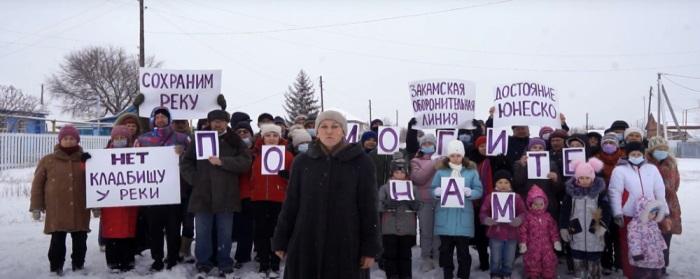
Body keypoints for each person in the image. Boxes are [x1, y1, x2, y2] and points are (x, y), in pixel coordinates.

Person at [272, 110, 382, 279]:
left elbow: (369, 207)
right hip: (306, 241)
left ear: (343, 131)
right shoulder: (302, 161)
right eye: (323, 126)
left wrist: (370, 248)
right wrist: (281, 238)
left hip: (347, 242)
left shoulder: (362, 162)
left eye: (334, 126)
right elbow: (291, 203)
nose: (329, 131)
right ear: (317, 131)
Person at [180, 109, 252, 278]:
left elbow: (245, 162)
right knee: (203, 232)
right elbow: (186, 163)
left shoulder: (234, 140)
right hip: (202, 195)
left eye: (221, 121)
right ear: (209, 122)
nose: (217, 124)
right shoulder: (199, 139)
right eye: (214, 121)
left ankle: (224, 262)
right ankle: (203, 264)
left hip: (227, 194)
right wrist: (195, 179)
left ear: (227, 122)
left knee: (225, 232)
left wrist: (223, 162)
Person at [30, 125, 92, 275]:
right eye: (65, 138)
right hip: (57, 209)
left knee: (80, 240)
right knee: (57, 241)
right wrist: (36, 206)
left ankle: (78, 265)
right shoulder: (48, 160)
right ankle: (56, 266)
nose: (69, 141)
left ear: (77, 140)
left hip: (80, 207)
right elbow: (37, 185)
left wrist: (96, 205)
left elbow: (96, 183)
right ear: (60, 140)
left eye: (72, 138)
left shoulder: (86, 160)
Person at [134, 107, 190, 271]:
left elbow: (193, 158)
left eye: (163, 117)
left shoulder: (183, 138)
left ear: (169, 119)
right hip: (152, 194)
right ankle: (157, 258)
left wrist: (184, 153)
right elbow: (130, 160)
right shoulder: (143, 139)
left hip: (175, 191)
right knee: (155, 229)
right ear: (153, 120)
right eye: (157, 116)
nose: (160, 119)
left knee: (173, 228)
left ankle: (172, 257)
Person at [608, 141, 668, 278]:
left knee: (651, 245)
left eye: (639, 154)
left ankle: (652, 273)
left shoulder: (651, 169)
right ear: (627, 155)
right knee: (629, 246)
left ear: (643, 154)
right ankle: (630, 274)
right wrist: (617, 212)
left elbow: (659, 189)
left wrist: (663, 209)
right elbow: (614, 191)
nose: (636, 156)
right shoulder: (620, 170)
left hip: (651, 215)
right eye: (633, 154)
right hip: (629, 215)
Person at [431, 140, 484, 279]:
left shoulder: (471, 171)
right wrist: (437, 191)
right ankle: (447, 274)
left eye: (458, 155)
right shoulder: (441, 171)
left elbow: (479, 190)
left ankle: (463, 274)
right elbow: (432, 189)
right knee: (446, 251)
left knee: (463, 252)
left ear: (463, 155)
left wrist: (470, 192)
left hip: (463, 219)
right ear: (448, 156)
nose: (455, 158)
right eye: (453, 155)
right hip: (445, 218)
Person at [250, 124, 294, 278]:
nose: (271, 138)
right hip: (259, 199)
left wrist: (287, 176)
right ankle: (263, 263)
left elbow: (296, 179)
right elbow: (248, 176)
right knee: (261, 232)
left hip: (279, 199)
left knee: (277, 232)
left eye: (275, 135)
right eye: (268, 135)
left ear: (279, 137)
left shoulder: (287, 156)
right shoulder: (255, 154)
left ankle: (275, 263)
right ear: (262, 137)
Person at [560, 158, 610, 279]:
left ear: (592, 178)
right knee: (577, 256)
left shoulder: (599, 193)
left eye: (587, 178)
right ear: (577, 178)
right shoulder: (571, 194)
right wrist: (563, 227)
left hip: (595, 230)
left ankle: (594, 275)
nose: (584, 181)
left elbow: (606, 210)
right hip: (576, 230)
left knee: (594, 257)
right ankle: (579, 275)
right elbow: (565, 212)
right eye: (581, 178)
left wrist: (602, 226)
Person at [100, 125, 139, 272]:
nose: (120, 140)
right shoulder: (103, 156)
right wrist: (86, 161)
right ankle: (113, 262)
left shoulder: (136, 155)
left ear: (128, 139)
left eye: (123, 138)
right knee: (112, 234)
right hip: (111, 203)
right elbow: (91, 171)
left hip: (130, 203)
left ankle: (128, 260)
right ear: (112, 139)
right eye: (117, 138)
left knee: (128, 233)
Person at [378, 155, 420, 279]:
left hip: (407, 227)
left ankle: (406, 275)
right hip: (389, 227)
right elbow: (378, 205)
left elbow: (419, 206)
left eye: (402, 172)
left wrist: (412, 203)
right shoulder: (385, 188)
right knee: (390, 254)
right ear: (392, 173)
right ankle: (392, 275)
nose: (399, 175)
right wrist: (387, 204)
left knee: (405, 255)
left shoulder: (413, 188)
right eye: (396, 172)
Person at [479, 170, 526, 279]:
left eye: (506, 182)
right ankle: (494, 273)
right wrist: (487, 220)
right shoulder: (490, 197)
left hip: (512, 234)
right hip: (495, 233)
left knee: (509, 258)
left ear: (510, 184)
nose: (503, 185)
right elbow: (483, 212)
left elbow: (523, 212)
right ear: (495, 184)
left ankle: (506, 273)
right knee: (495, 257)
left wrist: (519, 219)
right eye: (500, 182)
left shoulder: (516, 198)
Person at [645, 136, 682, 274]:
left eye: (663, 148)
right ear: (651, 150)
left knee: (666, 236)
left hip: (670, 205)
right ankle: (652, 265)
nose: (661, 151)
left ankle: (663, 266)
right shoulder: (646, 164)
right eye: (657, 149)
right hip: (651, 205)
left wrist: (670, 195)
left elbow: (676, 182)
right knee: (652, 237)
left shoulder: (672, 164)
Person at [410, 133, 441, 272]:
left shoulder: (443, 159)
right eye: (425, 144)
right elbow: (418, 178)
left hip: (440, 200)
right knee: (426, 231)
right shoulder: (415, 161)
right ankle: (426, 257)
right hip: (424, 201)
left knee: (438, 231)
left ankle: (438, 257)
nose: (427, 146)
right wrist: (434, 164)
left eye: (430, 143)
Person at [595, 132, 625, 274]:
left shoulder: (624, 159)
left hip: (621, 202)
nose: (608, 145)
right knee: (603, 233)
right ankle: (605, 262)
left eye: (612, 143)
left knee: (619, 234)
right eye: (606, 143)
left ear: (617, 145)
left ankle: (620, 262)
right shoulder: (595, 160)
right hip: (601, 202)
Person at [519, 185, 562, 279]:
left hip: (547, 247)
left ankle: (548, 275)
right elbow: (523, 231)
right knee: (533, 263)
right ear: (530, 204)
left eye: (541, 204)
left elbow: (553, 230)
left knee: (549, 262)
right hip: (532, 247)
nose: (538, 207)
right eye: (535, 205)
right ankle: (533, 275)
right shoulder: (528, 218)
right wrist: (523, 243)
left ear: (545, 204)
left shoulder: (548, 217)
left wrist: (556, 241)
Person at [512, 138, 561, 220]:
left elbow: (558, 189)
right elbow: (517, 184)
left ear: (544, 150)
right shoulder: (519, 163)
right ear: (529, 149)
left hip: (546, 205)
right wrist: (522, 167)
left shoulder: (552, 164)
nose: (537, 150)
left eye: (540, 148)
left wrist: (555, 179)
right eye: (534, 147)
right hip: (527, 204)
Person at [231, 117, 255, 268]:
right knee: (233, 227)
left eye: (245, 131)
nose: (242, 134)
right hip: (232, 193)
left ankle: (243, 257)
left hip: (250, 195)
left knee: (247, 228)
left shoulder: (259, 151)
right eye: (238, 132)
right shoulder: (229, 150)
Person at [627, 197, 668, 278]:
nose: (654, 215)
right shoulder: (635, 225)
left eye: (655, 213)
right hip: (643, 259)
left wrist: (663, 247)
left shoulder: (653, 223)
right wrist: (636, 253)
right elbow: (633, 240)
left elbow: (658, 237)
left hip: (656, 257)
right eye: (651, 213)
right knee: (643, 275)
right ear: (643, 211)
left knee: (656, 275)